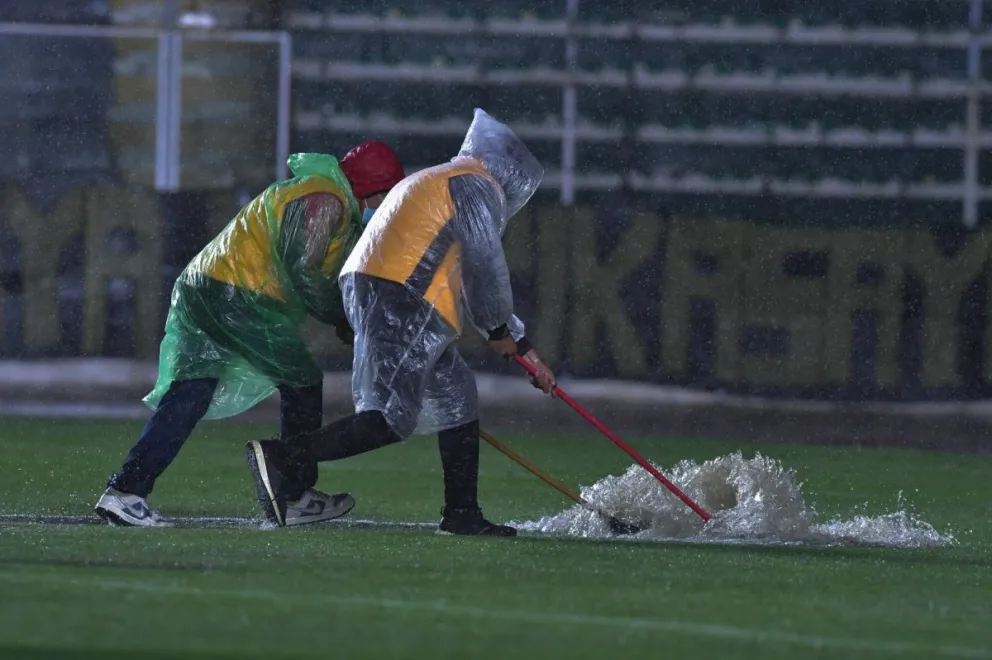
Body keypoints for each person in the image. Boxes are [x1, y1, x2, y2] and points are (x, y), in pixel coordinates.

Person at [244, 109, 557, 536]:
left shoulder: (443, 178)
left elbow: (465, 272)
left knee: (457, 398)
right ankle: (283, 458)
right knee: (389, 417)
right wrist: (499, 329)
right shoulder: (476, 185)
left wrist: (521, 346)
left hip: (389, 291)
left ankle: (461, 512)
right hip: (404, 295)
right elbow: (485, 267)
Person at [94, 141, 406, 528]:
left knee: (191, 392)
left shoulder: (317, 194)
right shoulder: (326, 200)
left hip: (205, 286)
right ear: (372, 187)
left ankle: (126, 491)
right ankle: (292, 493)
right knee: (302, 382)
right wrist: (344, 318)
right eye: (387, 195)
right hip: (239, 296)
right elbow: (304, 271)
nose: (387, 206)